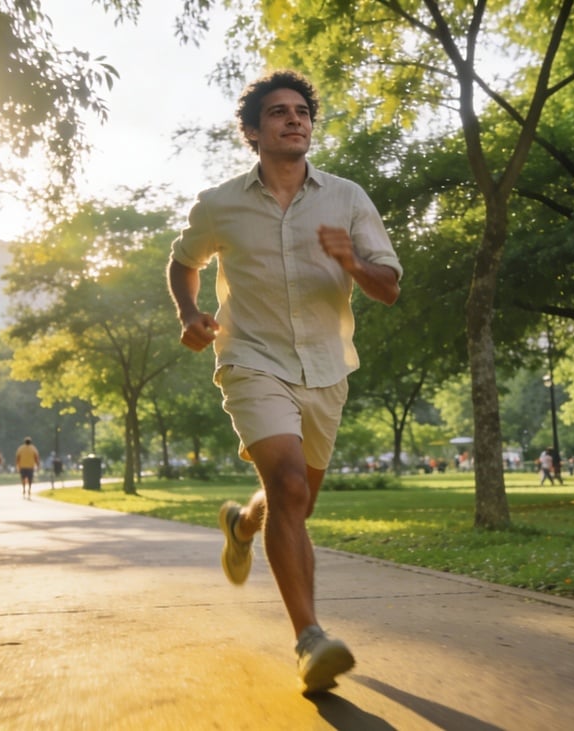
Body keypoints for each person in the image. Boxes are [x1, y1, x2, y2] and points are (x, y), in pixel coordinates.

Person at [167, 70, 401, 695]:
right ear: (253, 131)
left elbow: (389, 286)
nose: (294, 119)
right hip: (249, 358)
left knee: (292, 502)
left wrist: (351, 260)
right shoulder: (220, 204)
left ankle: (242, 525)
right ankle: (310, 640)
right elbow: (182, 261)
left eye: (302, 111)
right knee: (290, 486)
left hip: (327, 368)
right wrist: (191, 316)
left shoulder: (348, 198)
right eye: (278, 112)